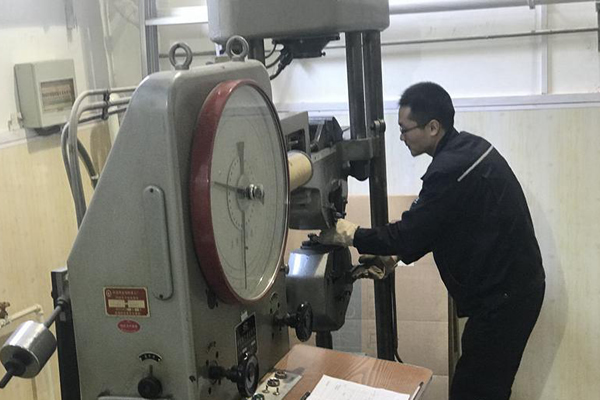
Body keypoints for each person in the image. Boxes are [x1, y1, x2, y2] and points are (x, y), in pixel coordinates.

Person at [317, 82, 545, 400]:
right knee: (486, 388)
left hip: (504, 299)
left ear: (433, 127)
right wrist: (394, 256)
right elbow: (440, 224)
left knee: (473, 392)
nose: (401, 137)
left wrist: (352, 234)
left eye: (405, 129)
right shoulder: (469, 148)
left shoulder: (449, 170)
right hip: (514, 288)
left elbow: (411, 232)